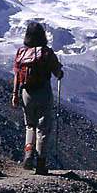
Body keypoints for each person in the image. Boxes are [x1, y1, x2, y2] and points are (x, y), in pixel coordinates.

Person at [11, 21, 64, 174]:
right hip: (43, 92)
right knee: (43, 127)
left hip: (26, 92)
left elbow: (16, 75)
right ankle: (41, 163)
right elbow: (57, 73)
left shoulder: (21, 52)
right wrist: (60, 71)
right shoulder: (47, 53)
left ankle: (28, 153)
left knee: (30, 125)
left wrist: (15, 94)